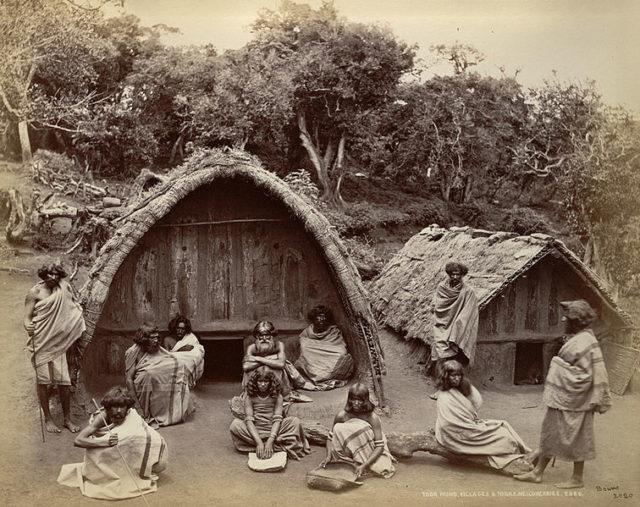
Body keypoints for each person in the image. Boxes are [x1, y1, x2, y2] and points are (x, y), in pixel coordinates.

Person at [514, 300, 612, 488]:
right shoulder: (579, 338)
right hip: (564, 397)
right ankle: (537, 472)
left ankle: (577, 478)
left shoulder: (586, 341)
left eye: (565, 317)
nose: (562, 319)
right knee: (551, 432)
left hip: (578, 398)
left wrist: (560, 368)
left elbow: (596, 372)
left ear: (574, 321)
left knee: (579, 436)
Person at [57, 386, 168, 500]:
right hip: (106, 446)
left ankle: (137, 470)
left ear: (127, 407)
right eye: (115, 406)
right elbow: (78, 440)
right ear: (108, 408)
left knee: (139, 439)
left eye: (122, 406)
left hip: (126, 451)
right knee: (116, 443)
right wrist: (105, 442)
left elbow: (145, 434)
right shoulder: (102, 417)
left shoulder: (131, 415)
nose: (119, 410)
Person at [435, 360, 533, 470]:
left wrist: (472, 422)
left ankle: (526, 452)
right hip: (457, 434)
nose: (457, 379)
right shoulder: (445, 397)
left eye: (459, 375)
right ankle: (514, 455)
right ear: (446, 377)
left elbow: (474, 404)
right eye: (453, 376)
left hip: (469, 425)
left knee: (504, 424)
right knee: (505, 437)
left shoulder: (461, 388)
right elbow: (448, 424)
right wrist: (470, 427)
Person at [24, 262, 85, 433]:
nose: (53, 278)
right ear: (44, 274)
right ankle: (48, 419)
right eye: (50, 274)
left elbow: (73, 308)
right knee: (43, 381)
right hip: (42, 341)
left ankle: (67, 419)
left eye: (57, 275)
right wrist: (28, 326)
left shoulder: (64, 288)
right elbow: (27, 318)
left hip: (59, 343)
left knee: (64, 382)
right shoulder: (34, 293)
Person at [230, 366, 310, 460]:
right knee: (235, 425)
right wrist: (259, 442)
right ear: (255, 382)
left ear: (271, 382)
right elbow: (249, 420)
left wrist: (270, 440)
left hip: (274, 430)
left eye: (266, 381)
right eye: (260, 381)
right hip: (255, 430)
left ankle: (268, 445)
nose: (263, 384)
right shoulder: (249, 396)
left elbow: (277, 419)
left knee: (295, 422)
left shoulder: (277, 396)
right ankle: (268, 446)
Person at [320, 383, 396, 479]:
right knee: (338, 428)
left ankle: (361, 463)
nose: (356, 403)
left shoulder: (372, 418)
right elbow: (330, 438)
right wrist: (328, 456)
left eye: (359, 400)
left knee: (380, 467)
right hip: (347, 454)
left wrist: (365, 465)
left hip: (368, 452)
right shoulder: (342, 416)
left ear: (365, 400)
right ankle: (351, 461)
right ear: (349, 399)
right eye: (353, 399)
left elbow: (379, 446)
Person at [125, 324, 194, 427]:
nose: (156, 341)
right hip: (142, 384)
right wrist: (138, 407)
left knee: (179, 366)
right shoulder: (132, 352)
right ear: (144, 339)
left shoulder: (155, 348)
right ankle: (149, 411)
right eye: (152, 338)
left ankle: (173, 410)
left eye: (157, 337)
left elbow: (168, 358)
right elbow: (129, 379)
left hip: (155, 382)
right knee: (149, 374)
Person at [430, 262, 479, 399]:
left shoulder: (467, 292)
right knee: (441, 359)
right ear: (449, 274)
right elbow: (437, 307)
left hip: (456, 331)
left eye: (458, 274)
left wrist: (457, 329)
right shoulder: (442, 288)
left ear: (462, 275)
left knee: (454, 363)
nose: (456, 277)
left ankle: (453, 390)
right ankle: (440, 388)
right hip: (442, 327)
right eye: (453, 274)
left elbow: (468, 312)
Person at [242, 320, 309, 402]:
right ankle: (253, 394)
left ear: (272, 336)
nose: (264, 339)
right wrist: (272, 358)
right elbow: (246, 367)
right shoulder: (252, 348)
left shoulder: (278, 345)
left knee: (281, 368)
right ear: (256, 337)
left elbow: (281, 364)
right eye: (261, 336)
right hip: (258, 375)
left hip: (274, 374)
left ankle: (279, 393)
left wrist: (257, 359)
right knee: (255, 370)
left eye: (267, 335)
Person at [295, 305, 354, 391]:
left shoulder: (333, 332)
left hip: (331, 361)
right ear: (313, 321)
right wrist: (314, 348)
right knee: (305, 347)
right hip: (313, 360)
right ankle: (316, 375)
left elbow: (341, 348)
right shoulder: (308, 332)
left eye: (323, 321)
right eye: (318, 321)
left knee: (342, 353)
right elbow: (303, 345)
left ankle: (328, 375)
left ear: (327, 321)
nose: (320, 324)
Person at [166, 314, 205, 388]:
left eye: (183, 329)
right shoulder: (168, 340)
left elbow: (197, 352)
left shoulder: (190, 338)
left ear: (186, 330)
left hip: (187, 367)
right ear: (174, 328)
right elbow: (165, 358)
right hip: (172, 369)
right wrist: (180, 350)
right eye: (178, 328)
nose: (180, 331)